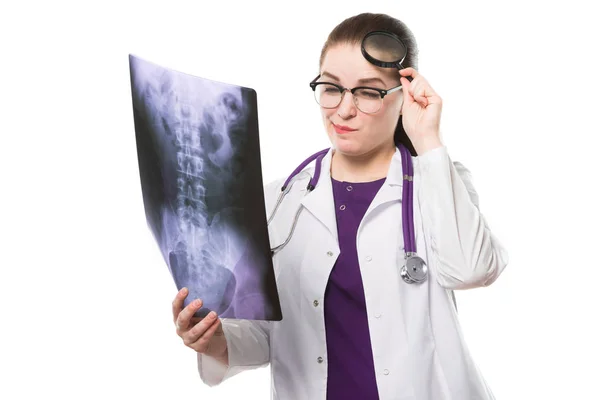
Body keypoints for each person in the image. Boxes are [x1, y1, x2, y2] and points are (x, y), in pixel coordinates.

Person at [172, 12, 509, 400]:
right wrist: (214, 339)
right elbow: (268, 334)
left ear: (403, 96)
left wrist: (428, 139)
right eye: (331, 88)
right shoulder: (281, 199)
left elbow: (472, 270)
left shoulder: (437, 179)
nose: (344, 109)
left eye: (368, 92)